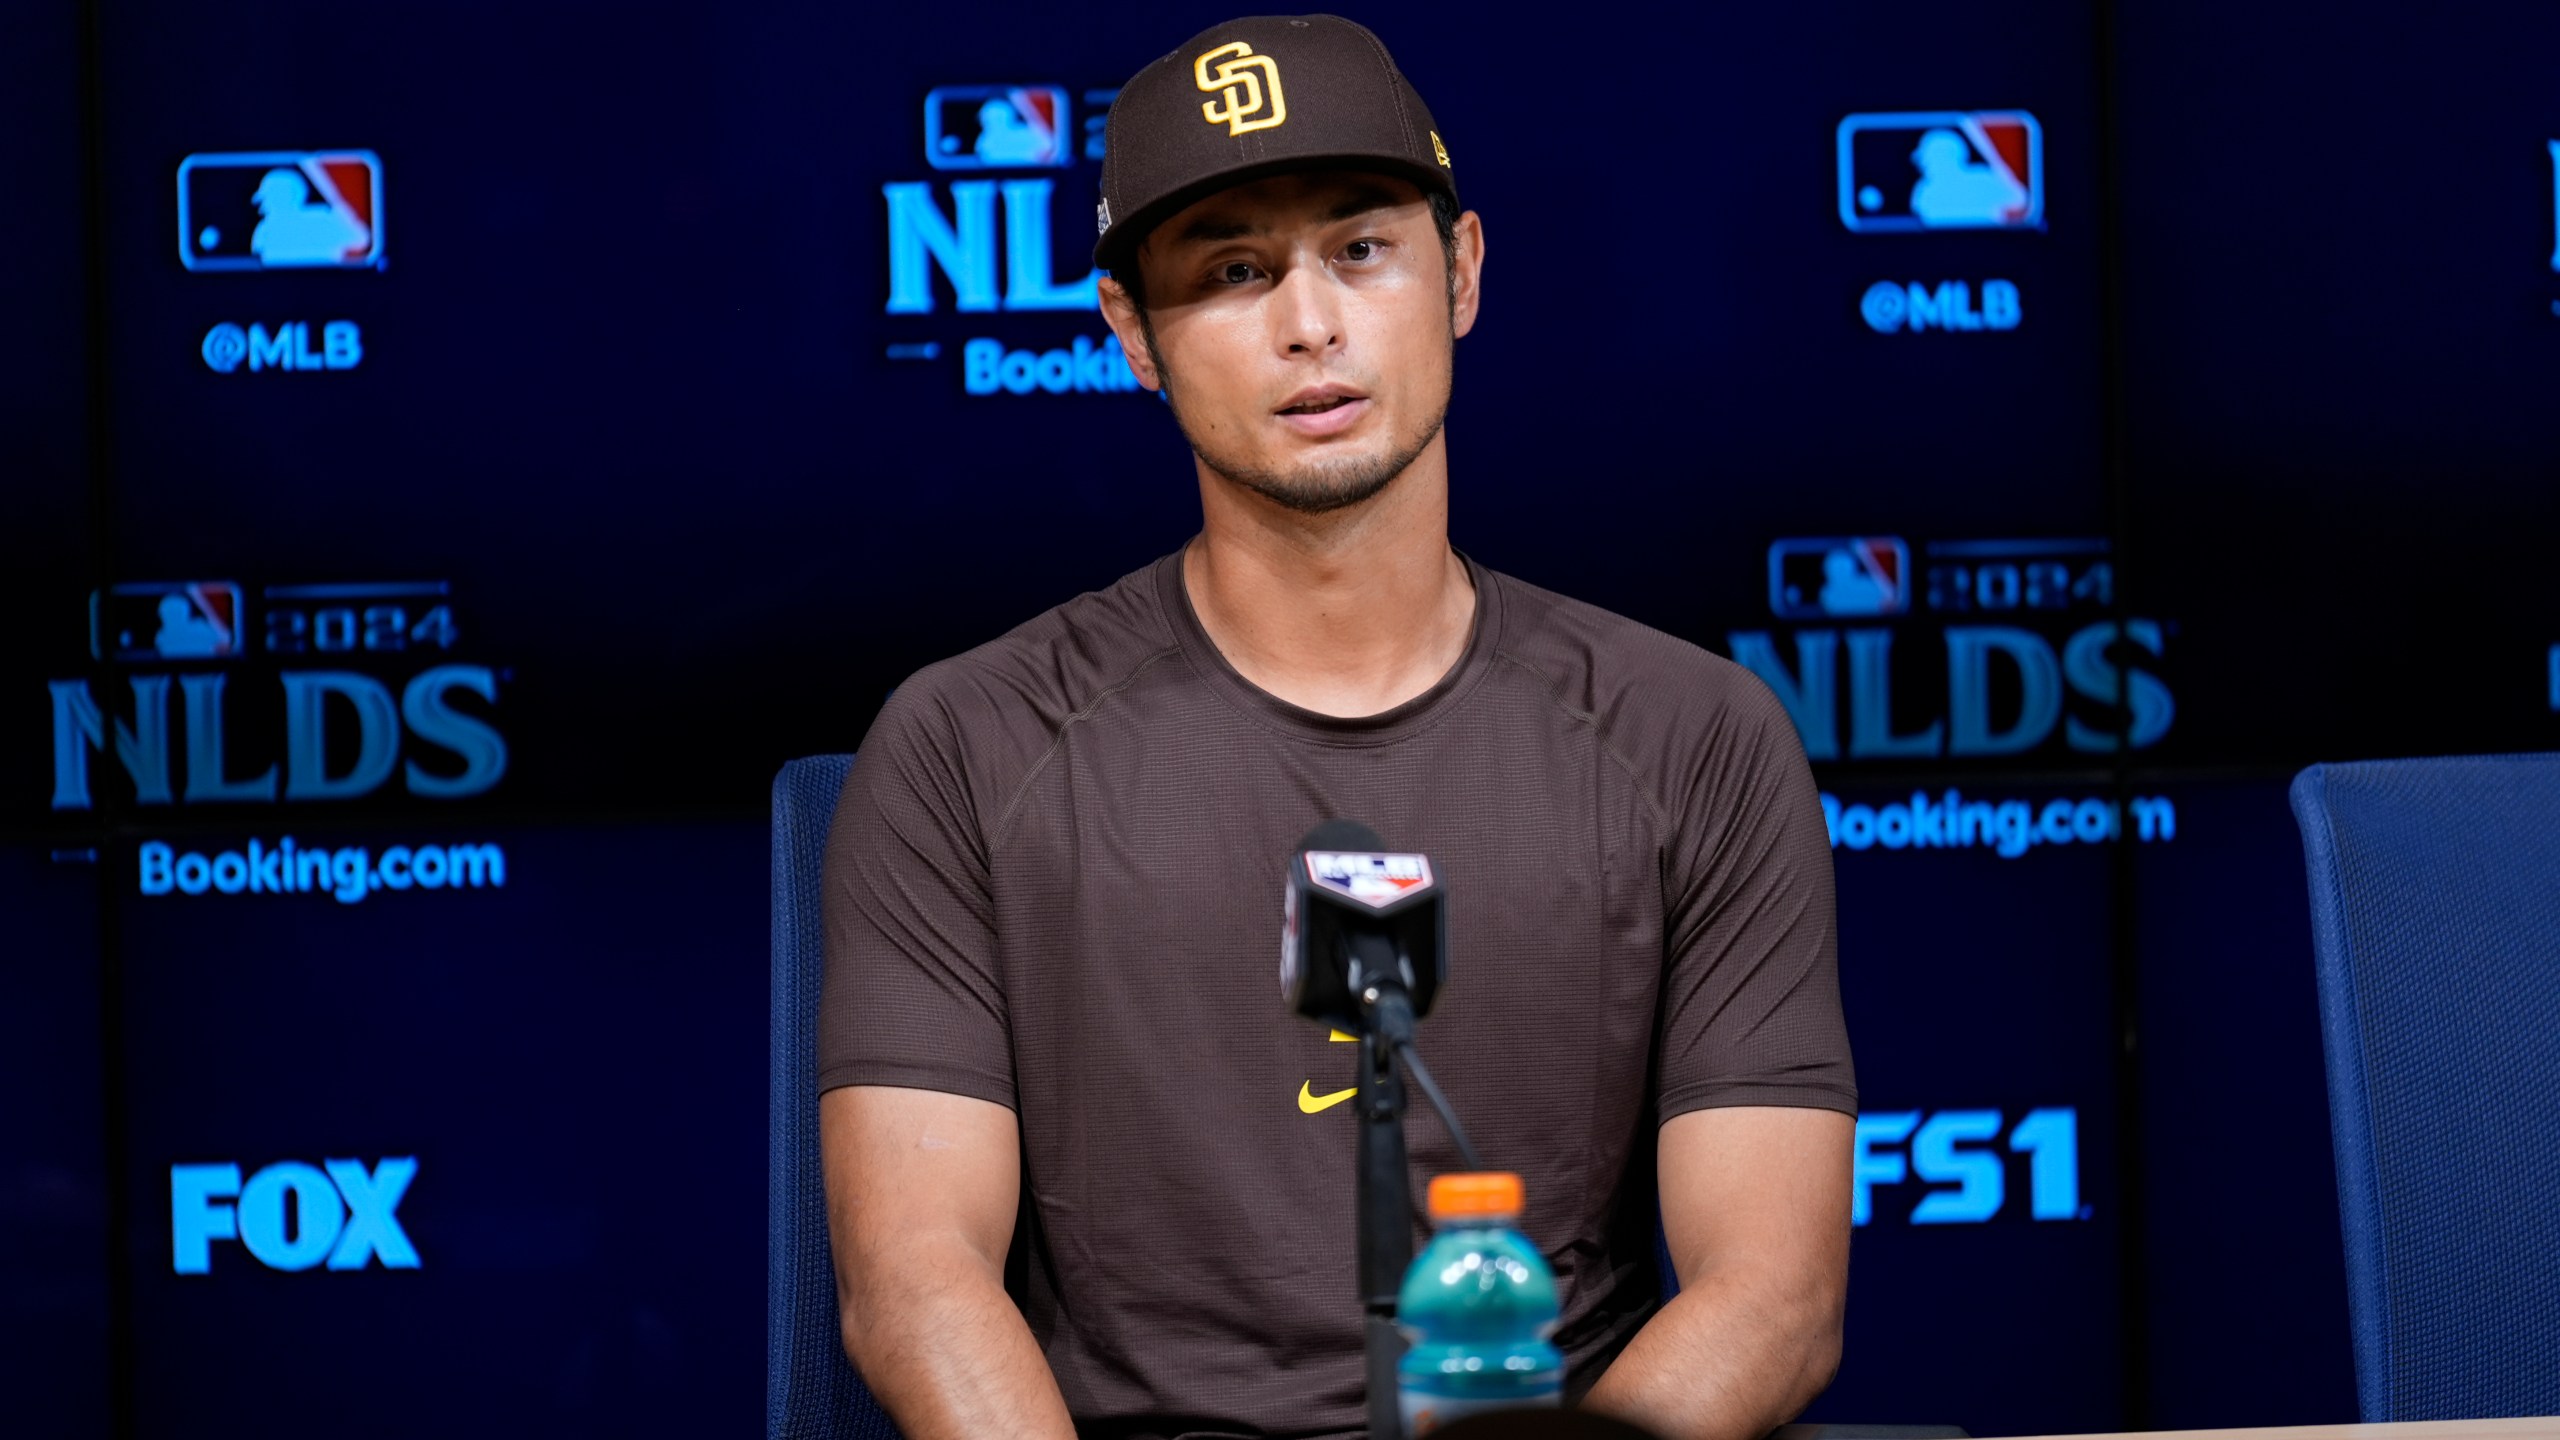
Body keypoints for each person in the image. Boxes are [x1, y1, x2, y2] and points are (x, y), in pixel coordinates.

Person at [818, 15, 1854, 1440]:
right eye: (1233, 272)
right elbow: (915, 1286)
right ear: (1130, 335)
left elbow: (1774, 1296)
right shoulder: (967, 746)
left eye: (1360, 250)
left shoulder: (1695, 737)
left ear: (1464, 273)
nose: (1310, 322)